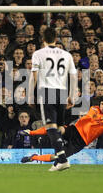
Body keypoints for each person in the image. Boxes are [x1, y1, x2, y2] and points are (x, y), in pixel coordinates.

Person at [21, 96, 103, 171]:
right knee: (57, 129)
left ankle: (34, 158)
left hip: (81, 142)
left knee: (59, 157)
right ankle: (31, 132)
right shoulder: (94, 109)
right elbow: (90, 118)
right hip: (75, 130)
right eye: (102, 104)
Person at [28, 27, 78, 171]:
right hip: (62, 92)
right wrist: (72, 96)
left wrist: (31, 95)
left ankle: (62, 160)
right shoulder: (66, 54)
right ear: (56, 39)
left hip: (47, 91)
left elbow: (34, 76)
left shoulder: (38, 54)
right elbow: (74, 75)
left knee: (51, 127)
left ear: (43, 39)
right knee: (59, 128)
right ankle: (58, 161)